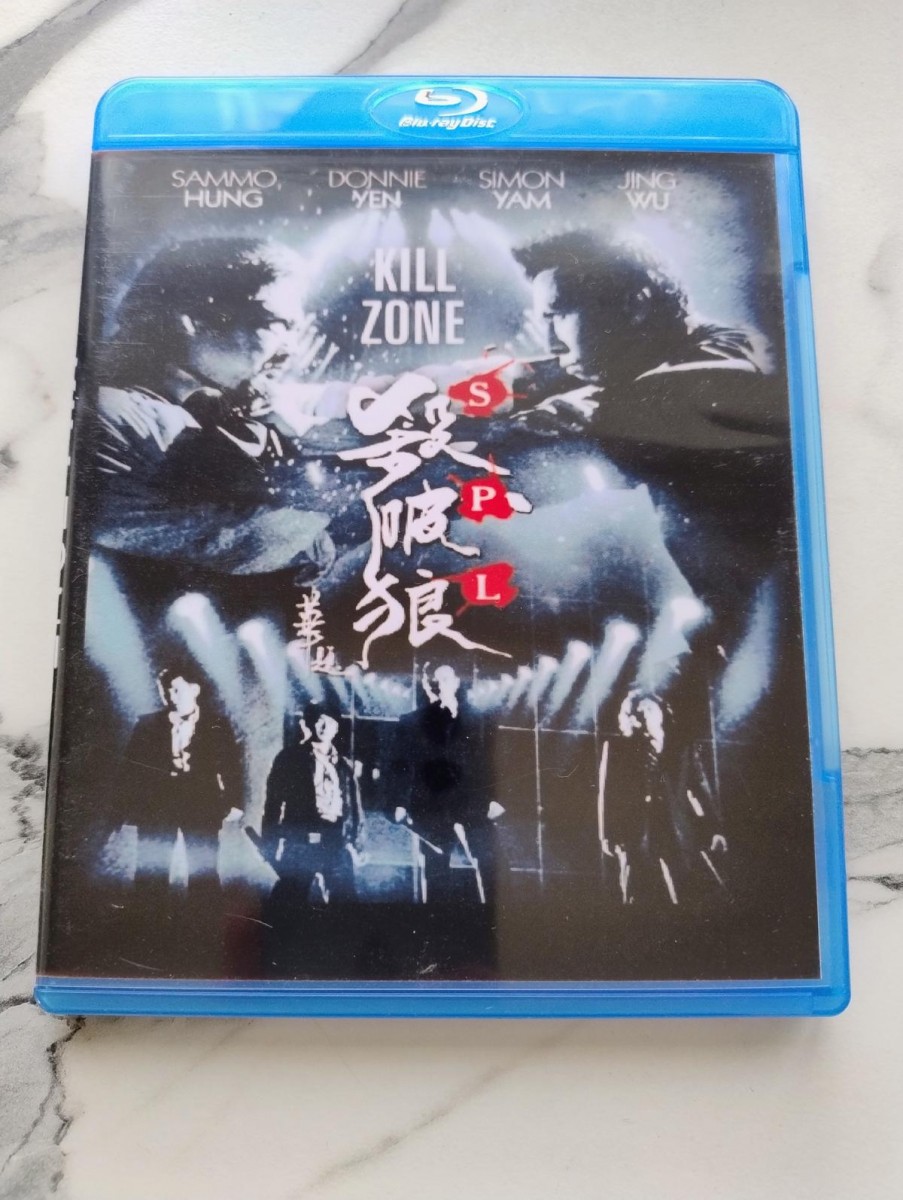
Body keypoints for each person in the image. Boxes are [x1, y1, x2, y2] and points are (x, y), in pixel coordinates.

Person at [90, 236, 334, 582]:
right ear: (192, 319)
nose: (290, 350)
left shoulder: (243, 412)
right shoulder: (113, 417)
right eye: (272, 324)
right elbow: (228, 540)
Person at [113, 665, 241, 886]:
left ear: (194, 690)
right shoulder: (147, 725)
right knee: (151, 874)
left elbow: (230, 765)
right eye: (165, 691)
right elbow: (129, 769)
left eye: (176, 690)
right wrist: (122, 809)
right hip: (158, 805)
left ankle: (203, 910)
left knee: (205, 874)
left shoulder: (217, 724)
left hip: (202, 803)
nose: (170, 697)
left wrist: (235, 801)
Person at [393, 663, 503, 904]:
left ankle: (484, 913)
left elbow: (489, 761)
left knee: (484, 863)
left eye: (444, 679)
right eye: (434, 681)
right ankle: (437, 918)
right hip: (432, 806)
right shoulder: (412, 722)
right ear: (426, 686)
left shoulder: (479, 719)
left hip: (472, 803)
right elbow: (402, 765)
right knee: (435, 867)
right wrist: (401, 802)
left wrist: (494, 797)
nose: (439, 685)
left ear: (456, 682)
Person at [261, 702, 364, 903]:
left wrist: (356, 842)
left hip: (336, 843)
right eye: (319, 721)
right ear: (309, 724)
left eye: (330, 722)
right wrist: (269, 841)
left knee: (345, 905)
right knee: (287, 902)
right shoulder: (289, 758)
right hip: (301, 843)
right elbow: (273, 803)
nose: (324, 726)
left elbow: (354, 807)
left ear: (336, 727)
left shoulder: (344, 766)